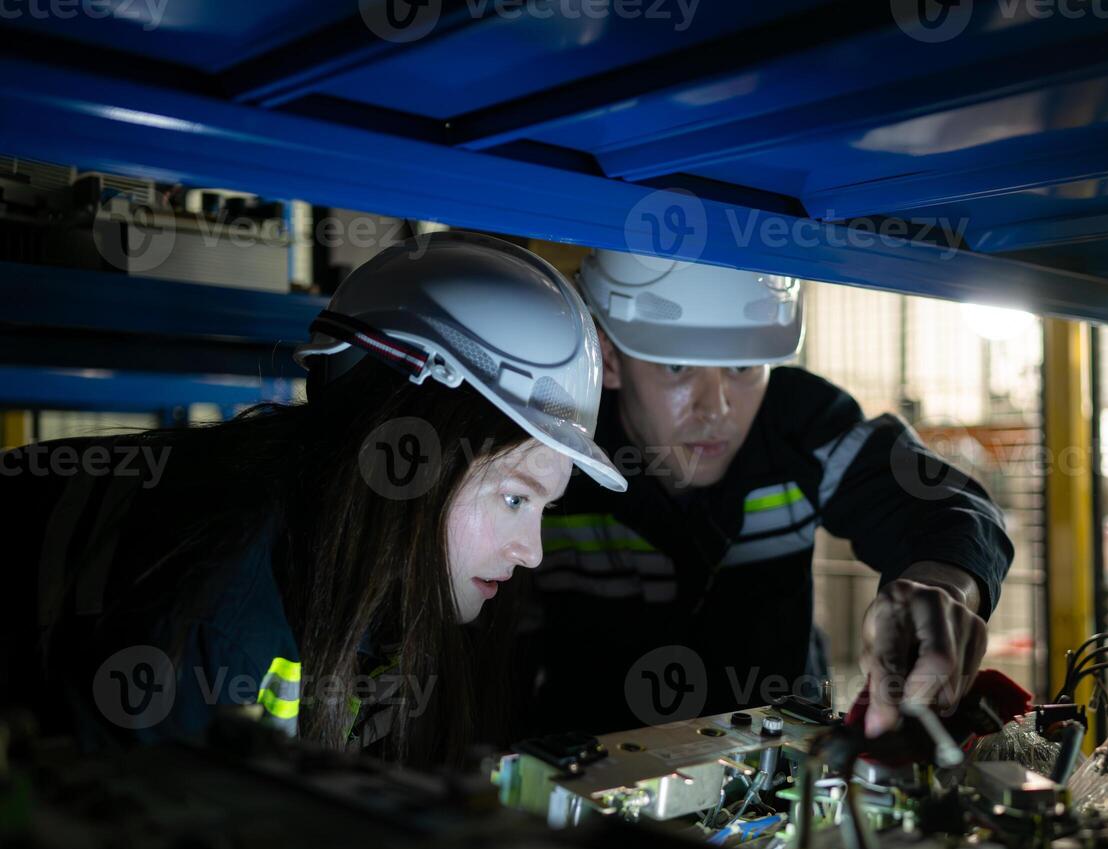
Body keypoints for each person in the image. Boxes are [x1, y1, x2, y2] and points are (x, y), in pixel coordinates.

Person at [0, 232, 624, 765]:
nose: (533, 553)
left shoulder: (321, 555)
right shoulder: (224, 605)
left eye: (544, 508)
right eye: (516, 499)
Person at [516, 250, 1015, 738]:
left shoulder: (802, 421)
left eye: (743, 368)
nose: (716, 409)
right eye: (677, 367)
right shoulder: (554, 445)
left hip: (780, 774)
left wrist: (941, 586)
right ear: (609, 356)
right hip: (586, 782)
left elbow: (952, 507)